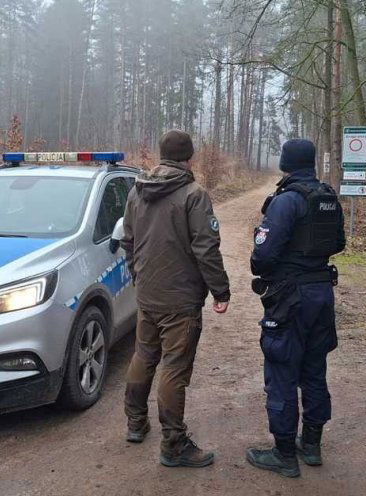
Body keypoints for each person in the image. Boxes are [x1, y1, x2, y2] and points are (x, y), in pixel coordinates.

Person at [121, 129, 231, 468]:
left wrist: (139, 276)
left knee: (144, 355)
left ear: (162, 154)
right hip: (180, 299)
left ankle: (136, 424)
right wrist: (221, 290)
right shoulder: (194, 194)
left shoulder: (138, 190)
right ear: (190, 157)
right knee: (174, 368)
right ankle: (173, 444)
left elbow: (128, 240)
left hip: (149, 293)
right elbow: (206, 247)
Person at [245, 138, 345, 478]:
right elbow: (340, 244)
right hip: (322, 294)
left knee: (282, 370)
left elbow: (263, 256)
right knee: (314, 369)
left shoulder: (286, 201)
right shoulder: (328, 198)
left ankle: (284, 454)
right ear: (312, 163)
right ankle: (312, 446)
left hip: (291, 297)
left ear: (285, 164)